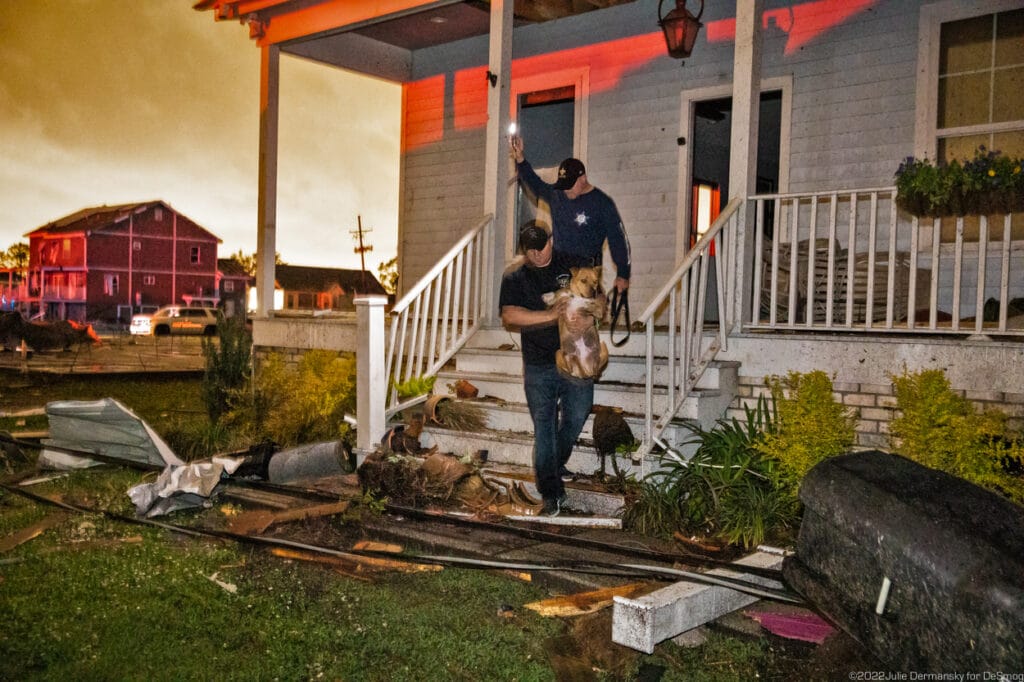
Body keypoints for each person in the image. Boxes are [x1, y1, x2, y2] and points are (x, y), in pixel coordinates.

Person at [499, 222, 597, 517]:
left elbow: (598, 297)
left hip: (576, 358)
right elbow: (509, 315)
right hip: (539, 363)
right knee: (544, 427)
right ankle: (552, 494)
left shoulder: (573, 263)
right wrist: (549, 316)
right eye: (530, 249)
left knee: (578, 414)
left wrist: (589, 319)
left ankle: (551, 464)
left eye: (540, 247)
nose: (536, 254)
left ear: (551, 240)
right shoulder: (515, 276)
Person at [510, 135, 631, 294]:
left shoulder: (602, 203)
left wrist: (623, 274)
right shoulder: (557, 194)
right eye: (563, 185)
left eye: (570, 186)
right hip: (559, 266)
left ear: (583, 179)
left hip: (585, 269)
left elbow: (618, 239)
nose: (566, 191)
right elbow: (536, 184)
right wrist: (520, 159)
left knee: (585, 314)